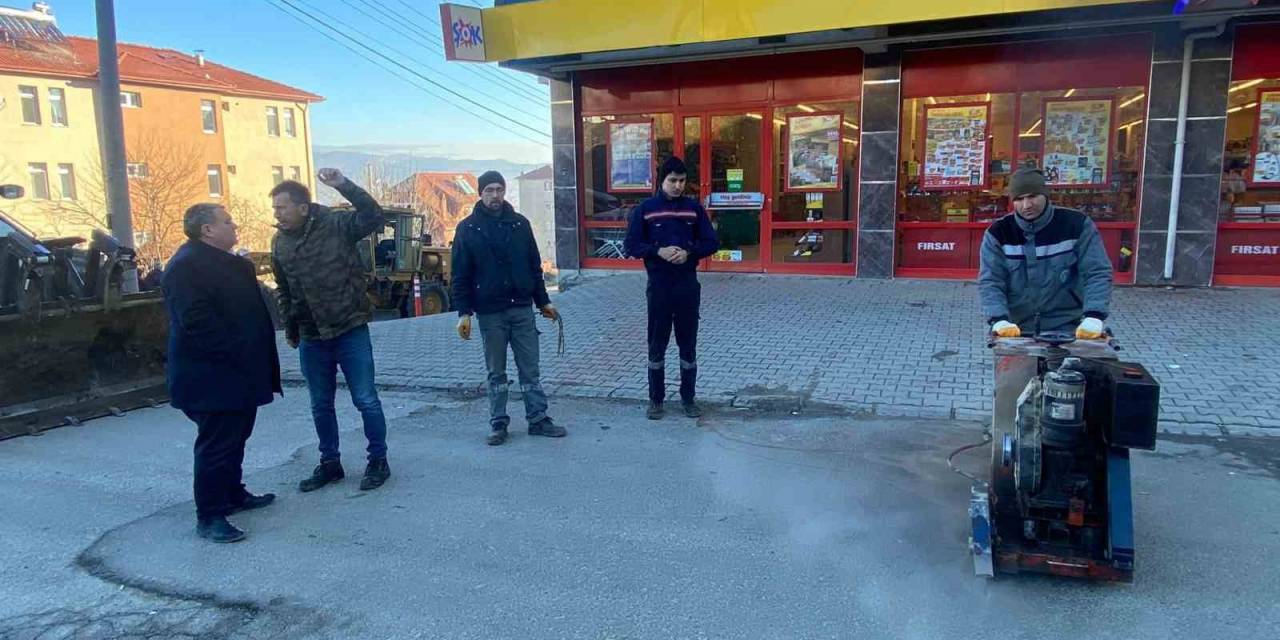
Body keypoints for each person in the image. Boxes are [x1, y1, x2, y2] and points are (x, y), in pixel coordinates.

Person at [163, 203, 281, 543]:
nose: (234, 227)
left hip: (238, 373)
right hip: (211, 376)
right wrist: (238, 351)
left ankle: (233, 493)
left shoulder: (229, 263)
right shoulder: (186, 267)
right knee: (216, 445)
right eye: (227, 222)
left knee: (236, 437)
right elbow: (197, 322)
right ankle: (210, 515)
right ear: (207, 230)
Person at [270, 169, 391, 492]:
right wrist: (290, 325)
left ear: (303, 207)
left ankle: (378, 460)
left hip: (349, 328)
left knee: (365, 399)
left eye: (281, 207)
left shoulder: (336, 225)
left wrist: (342, 185)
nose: (277, 214)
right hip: (312, 336)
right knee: (320, 404)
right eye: (275, 209)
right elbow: (283, 288)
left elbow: (373, 215)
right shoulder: (280, 242)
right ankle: (330, 463)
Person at [451, 170, 565, 446]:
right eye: (489, 190)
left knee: (530, 370)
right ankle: (498, 423)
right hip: (490, 313)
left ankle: (538, 419)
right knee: (496, 373)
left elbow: (534, 268)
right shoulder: (468, 229)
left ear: (504, 192)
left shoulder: (519, 225)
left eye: (499, 189)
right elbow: (460, 275)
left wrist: (544, 301)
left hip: (522, 309)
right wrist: (464, 313)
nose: (495, 195)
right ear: (480, 193)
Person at [623, 156, 719, 420]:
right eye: (672, 180)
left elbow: (711, 242)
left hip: (687, 286)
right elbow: (630, 245)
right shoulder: (646, 209)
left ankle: (688, 398)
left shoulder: (694, 209)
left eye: (682, 181)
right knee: (657, 344)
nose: (677, 186)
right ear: (661, 180)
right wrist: (658, 251)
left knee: (688, 345)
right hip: (659, 286)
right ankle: (656, 399)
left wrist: (689, 252)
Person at [978, 167, 1112, 339]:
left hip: (1069, 328)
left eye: (1033, 196)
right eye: (1019, 199)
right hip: (1014, 329)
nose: (1026, 205)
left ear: (1045, 195)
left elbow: (1097, 272)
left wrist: (1094, 316)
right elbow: (991, 280)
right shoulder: (998, 233)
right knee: (1014, 367)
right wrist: (999, 319)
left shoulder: (1076, 225)